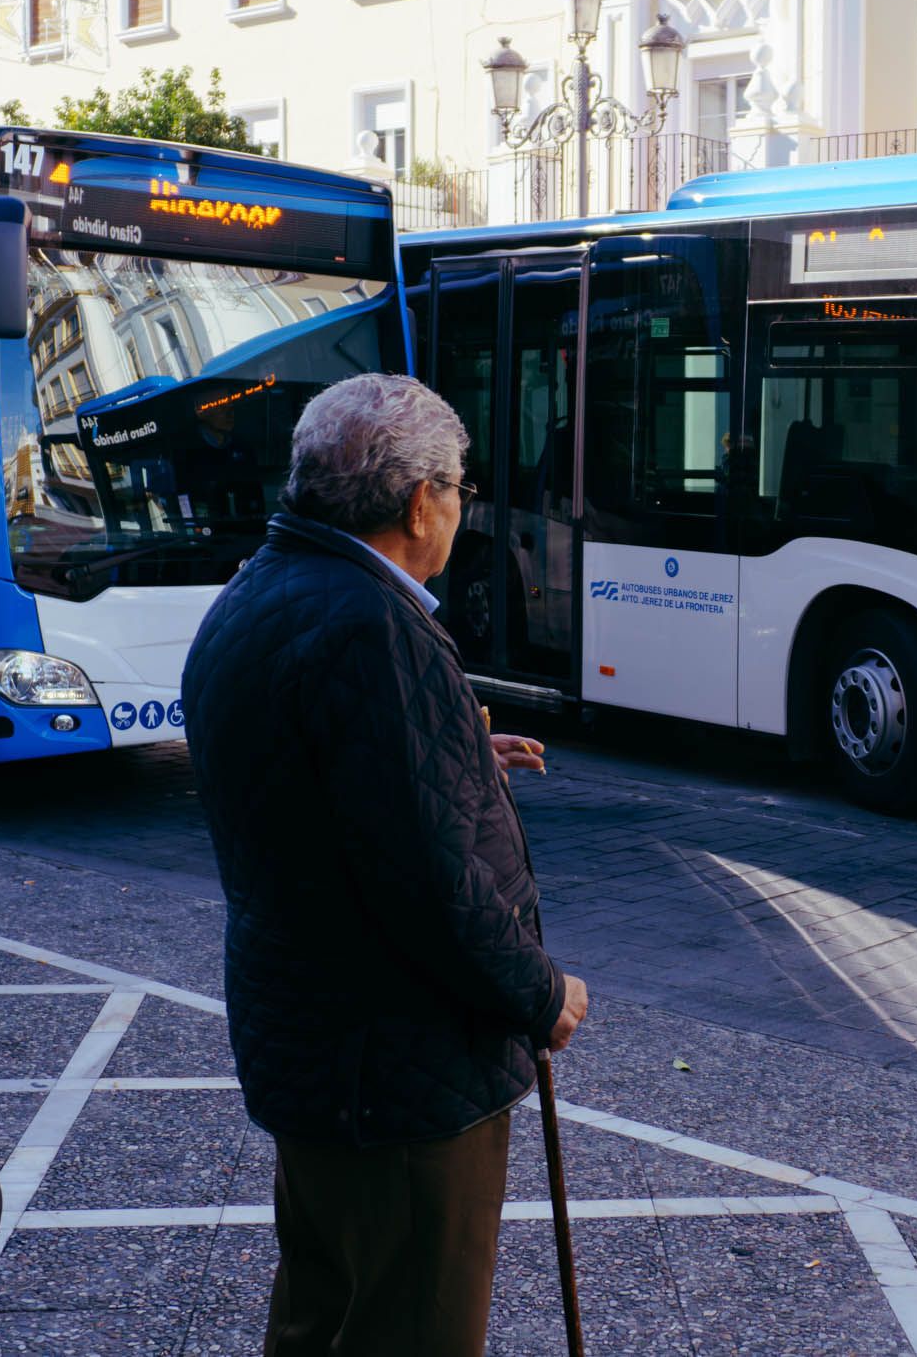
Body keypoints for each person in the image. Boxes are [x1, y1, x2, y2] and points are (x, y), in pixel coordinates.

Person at [181, 374, 582, 1357]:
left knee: (323, 1313)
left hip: (317, 1048)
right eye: (462, 488)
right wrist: (542, 995)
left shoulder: (265, 590)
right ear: (420, 502)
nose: (463, 508)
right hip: (396, 1074)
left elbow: (318, 776)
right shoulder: (370, 629)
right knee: (410, 1328)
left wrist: (445, 752)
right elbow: (430, 886)